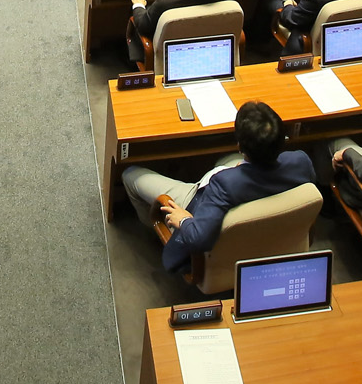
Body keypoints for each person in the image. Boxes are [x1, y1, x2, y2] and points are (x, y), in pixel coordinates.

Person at [121, 101, 316, 277]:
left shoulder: (224, 184)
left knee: (130, 175)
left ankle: (156, 227)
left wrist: (184, 220)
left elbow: (199, 238)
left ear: (240, 146)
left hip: (197, 204)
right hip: (268, 228)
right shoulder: (301, 161)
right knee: (226, 161)